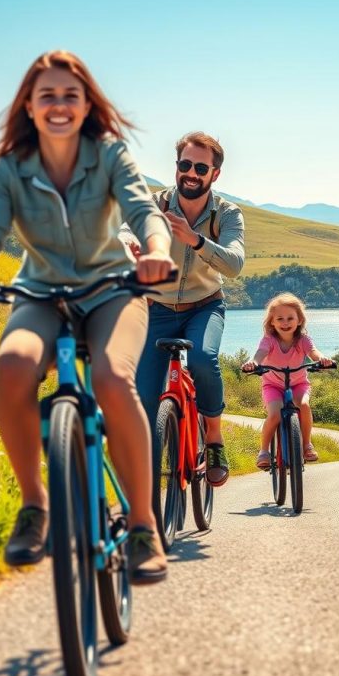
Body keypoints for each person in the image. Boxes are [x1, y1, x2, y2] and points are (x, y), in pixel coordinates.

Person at [0, 50, 175, 583]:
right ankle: (36, 505)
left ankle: (142, 525)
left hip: (113, 291)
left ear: (85, 104)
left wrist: (158, 249)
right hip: (40, 293)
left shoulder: (109, 156)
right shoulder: (12, 169)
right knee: (12, 367)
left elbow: (144, 213)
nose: (58, 104)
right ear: (28, 105)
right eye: (46, 95)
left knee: (113, 379)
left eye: (70, 95)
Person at [125, 131, 245, 486]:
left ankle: (214, 441)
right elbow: (124, 229)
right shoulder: (155, 204)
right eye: (184, 164)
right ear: (176, 167)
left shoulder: (227, 214)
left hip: (204, 308)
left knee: (205, 360)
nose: (191, 173)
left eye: (200, 167)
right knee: (144, 400)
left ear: (214, 174)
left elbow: (235, 264)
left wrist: (195, 239)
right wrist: (129, 243)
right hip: (156, 309)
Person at [241, 293, 333, 468]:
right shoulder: (269, 340)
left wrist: (323, 360)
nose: (285, 323)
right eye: (280, 319)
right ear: (272, 322)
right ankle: (264, 451)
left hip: (298, 384)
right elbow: (260, 354)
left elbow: (314, 352)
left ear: (299, 320)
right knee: (274, 414)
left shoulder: (303, 340)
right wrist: (254, 363)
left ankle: (306, 444)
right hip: (272, 385)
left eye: (290, 318)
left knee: (304, 405)